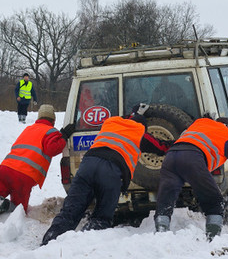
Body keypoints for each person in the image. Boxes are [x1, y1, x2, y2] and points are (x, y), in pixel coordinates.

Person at [41, 104, 171, 245]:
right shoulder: (139, 131)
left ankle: (49, 243)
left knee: (69, 211)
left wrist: (135, 113)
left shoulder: (110, 123)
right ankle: (86, 247)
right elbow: (160, 147)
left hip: (88, 165)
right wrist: (181, 142)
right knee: (102, 217)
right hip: (111, 172)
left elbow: (127, 120)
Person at [153, 116, 228, 240]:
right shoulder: (227, 136)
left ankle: (162, 233)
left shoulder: (199, 124)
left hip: (170, 157)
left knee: (166, 199)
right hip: (192, 159)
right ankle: (213, 239)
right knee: (214, 201)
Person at [0, 104, 75, 227]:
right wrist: (63, 136)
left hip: (4, 170)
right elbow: (52, 149)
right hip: (24, 176)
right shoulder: (51, 131)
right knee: (19, 210)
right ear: (53, 120)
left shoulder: (28, 129)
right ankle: (4, 205)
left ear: (38, 117)